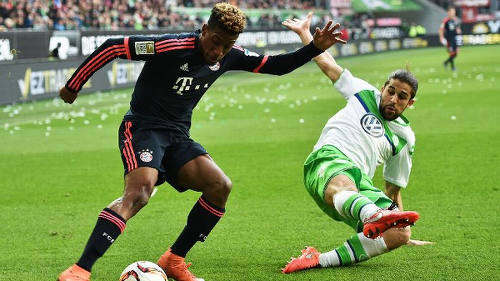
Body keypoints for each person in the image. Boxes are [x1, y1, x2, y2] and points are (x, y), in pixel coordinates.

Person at [57, 3, 345, 281]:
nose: (219, 51)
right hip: (143, 129)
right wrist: (74, 85)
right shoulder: (171, 47)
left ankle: (173, 259)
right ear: (205, 29)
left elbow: (276, 66)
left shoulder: (229, 55)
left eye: (227, 46)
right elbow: (113, 47)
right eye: (216, 42)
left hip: (177, 136)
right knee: (140, 193)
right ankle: (80, 270)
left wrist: (314, 48)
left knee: (220, 186)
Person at [281, 13, 430, 274]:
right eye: (391, 91)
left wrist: (400, 224)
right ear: (383, 88)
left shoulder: (405, 138)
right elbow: (327, 64)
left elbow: (392, 190)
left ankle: (318, 259)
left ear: (410, 103)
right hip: (328, 161)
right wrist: (305, 34)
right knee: (344, 182)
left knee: (399, 233)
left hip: (359, 187)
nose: (393, 99)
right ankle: (372, 215)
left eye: (402, 97)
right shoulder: (362, 93)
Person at [439, 6, 461, 71]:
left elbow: (457, 28)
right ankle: (453, 67)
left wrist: (458, 30)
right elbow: (441, 29)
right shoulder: (445, 20)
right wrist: (441, 37)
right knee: (452, 53)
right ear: (448, 12)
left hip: (454, 39)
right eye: (452, 12)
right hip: (449, 39)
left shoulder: (455, 20)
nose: (453, 13)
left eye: (454, 12)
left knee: (456, 53)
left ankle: (445, 62)